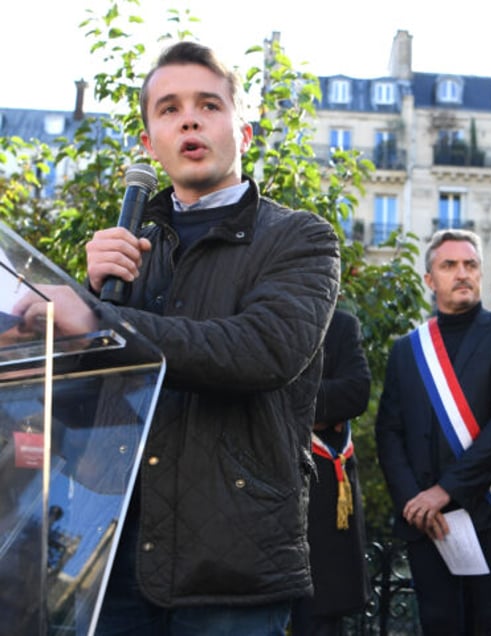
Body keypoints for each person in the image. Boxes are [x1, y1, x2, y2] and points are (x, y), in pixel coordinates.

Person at [81, 41, 340, 635]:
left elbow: (260, 350)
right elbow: (82, 398)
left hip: (233, 560)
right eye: (168, 109)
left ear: (243, 131)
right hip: (114, 555)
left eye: (208, 105)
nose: (189, 119)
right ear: (149, 144)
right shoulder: (126, 252)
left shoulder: (300, 239)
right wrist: (88, 294)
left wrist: (100, 321)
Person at [375, 229, 491, 635]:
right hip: (424, 519)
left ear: (481, 274)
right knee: (439, 624)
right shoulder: (407, 349)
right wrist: (414, 502)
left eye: (470, 265)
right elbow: (389, 432)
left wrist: (445, 491)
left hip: (486, 510)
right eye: (449, 265)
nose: (461, 273)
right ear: (430, 280)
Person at [290, 308, 372, 635]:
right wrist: (320, 409)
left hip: (322, 503)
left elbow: (356, 391)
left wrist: (293, 405)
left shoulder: (341, 323)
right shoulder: (254, 316)